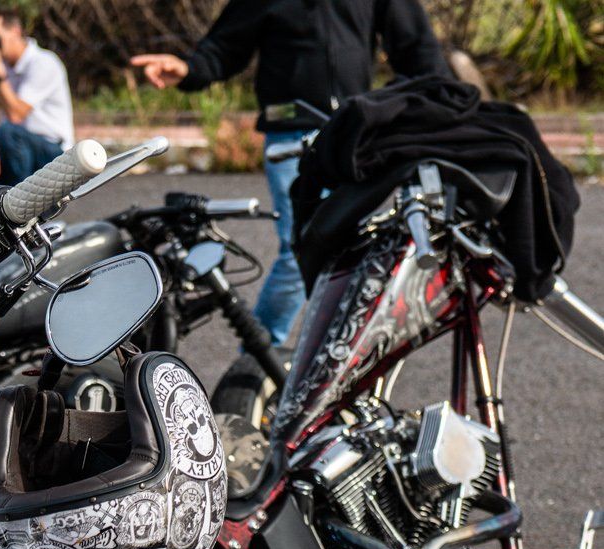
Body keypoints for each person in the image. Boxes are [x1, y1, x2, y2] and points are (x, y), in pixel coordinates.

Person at [132, 0, 449, 347]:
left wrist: (443, 100)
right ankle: (257, 364)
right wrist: (189, 70)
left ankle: (339, 361)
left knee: (360, 254)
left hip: (353, 136)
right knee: (299, 254)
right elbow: (224, 48)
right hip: (291, 136)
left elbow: (416, 48)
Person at [0, 9, 73, 185]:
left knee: (7, 131)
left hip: (54, 155)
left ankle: (21, 207)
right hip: (20, 151)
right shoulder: (2, 64)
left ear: (15, 32)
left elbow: (16, 115)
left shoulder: (44, 62)